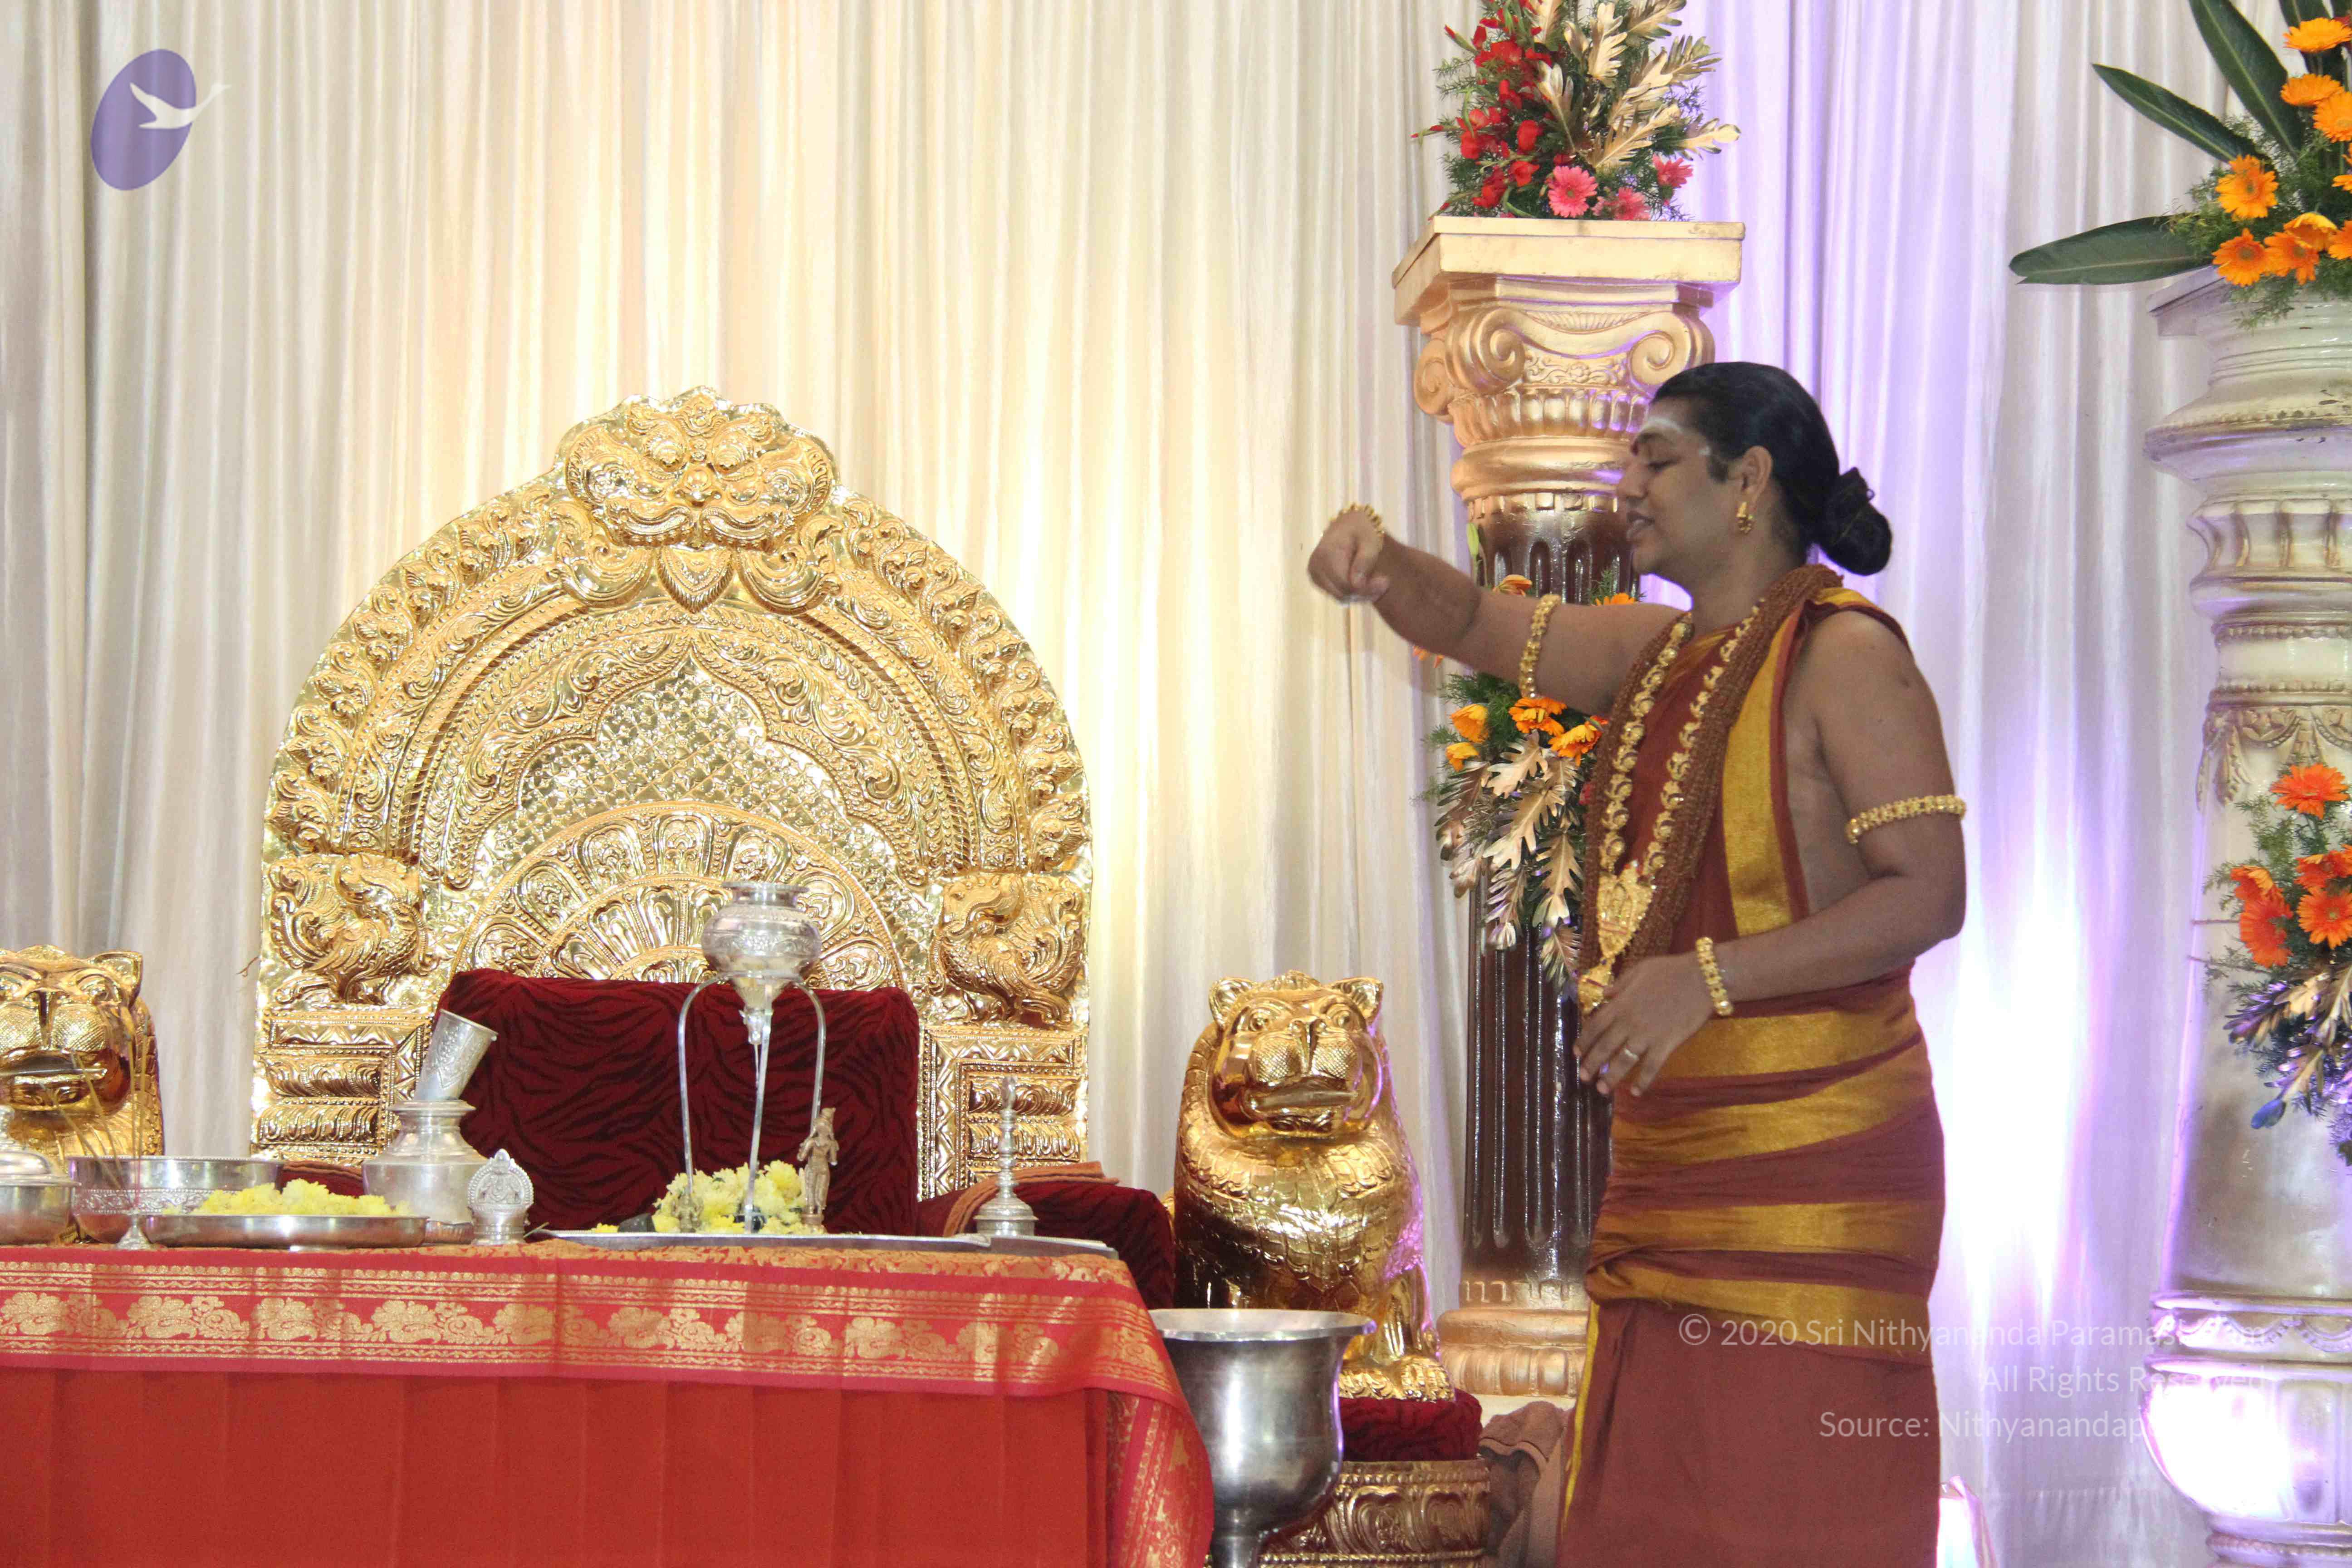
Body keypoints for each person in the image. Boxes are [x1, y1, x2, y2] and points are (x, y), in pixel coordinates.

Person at [1307, 361, 1963, 1566]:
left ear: (1747, 481)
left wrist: (1705, 980)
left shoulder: (1844, 655)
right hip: (1669, 1169)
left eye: (1655, 459)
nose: (1628, 488)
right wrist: (1383, 564)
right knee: (1657, 1507)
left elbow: (1930, 891)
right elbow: (1475, 625)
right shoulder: (1654, 651)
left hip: (1813, 1176)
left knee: (1782, 1506)